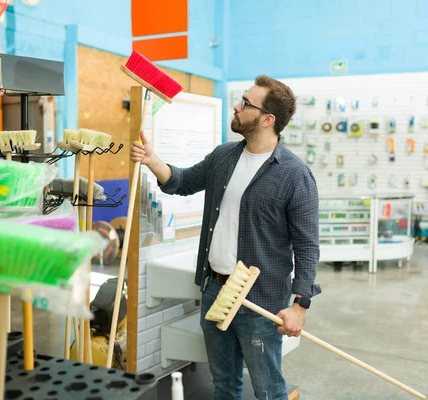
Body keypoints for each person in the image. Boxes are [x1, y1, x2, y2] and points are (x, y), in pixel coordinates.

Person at [130, 75, 320, 400]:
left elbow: (307, 246)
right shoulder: (224, 156)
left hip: (259, 301)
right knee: (224, 387)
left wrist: (300, 304)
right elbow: (184, 181)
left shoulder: (294, 175)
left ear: (267, 119)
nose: (237, 105)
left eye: (246, 103)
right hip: (216, 291)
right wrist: (152, 161)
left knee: (268, 391)